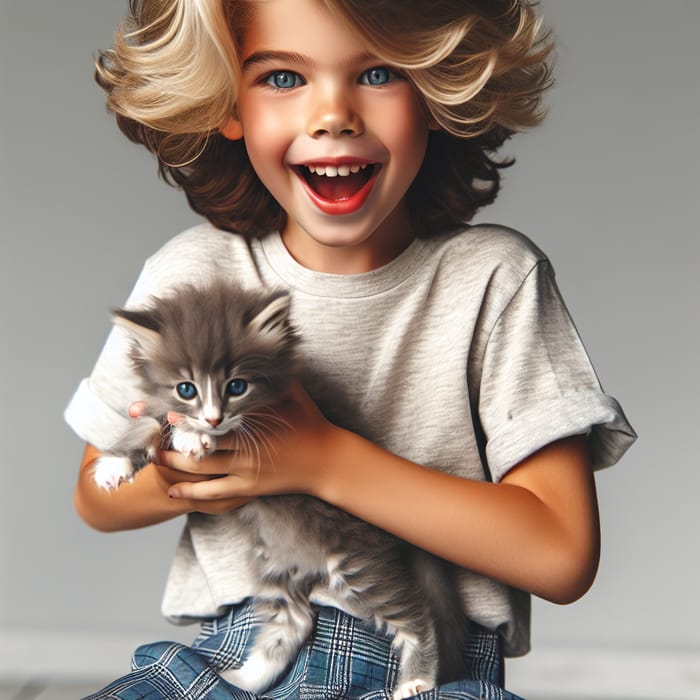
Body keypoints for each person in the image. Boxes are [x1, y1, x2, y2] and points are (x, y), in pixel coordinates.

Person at [65, 0, 636, 698]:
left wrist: (325, 462)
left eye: (379, 72)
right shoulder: (192, 273)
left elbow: (561, 553)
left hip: (426, 666)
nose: (333, 115)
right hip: (240, 661)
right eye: (281, 78)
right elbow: (97, 498)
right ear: (227, 101)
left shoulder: (495, 279)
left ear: (437, 89)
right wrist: (209, 468)